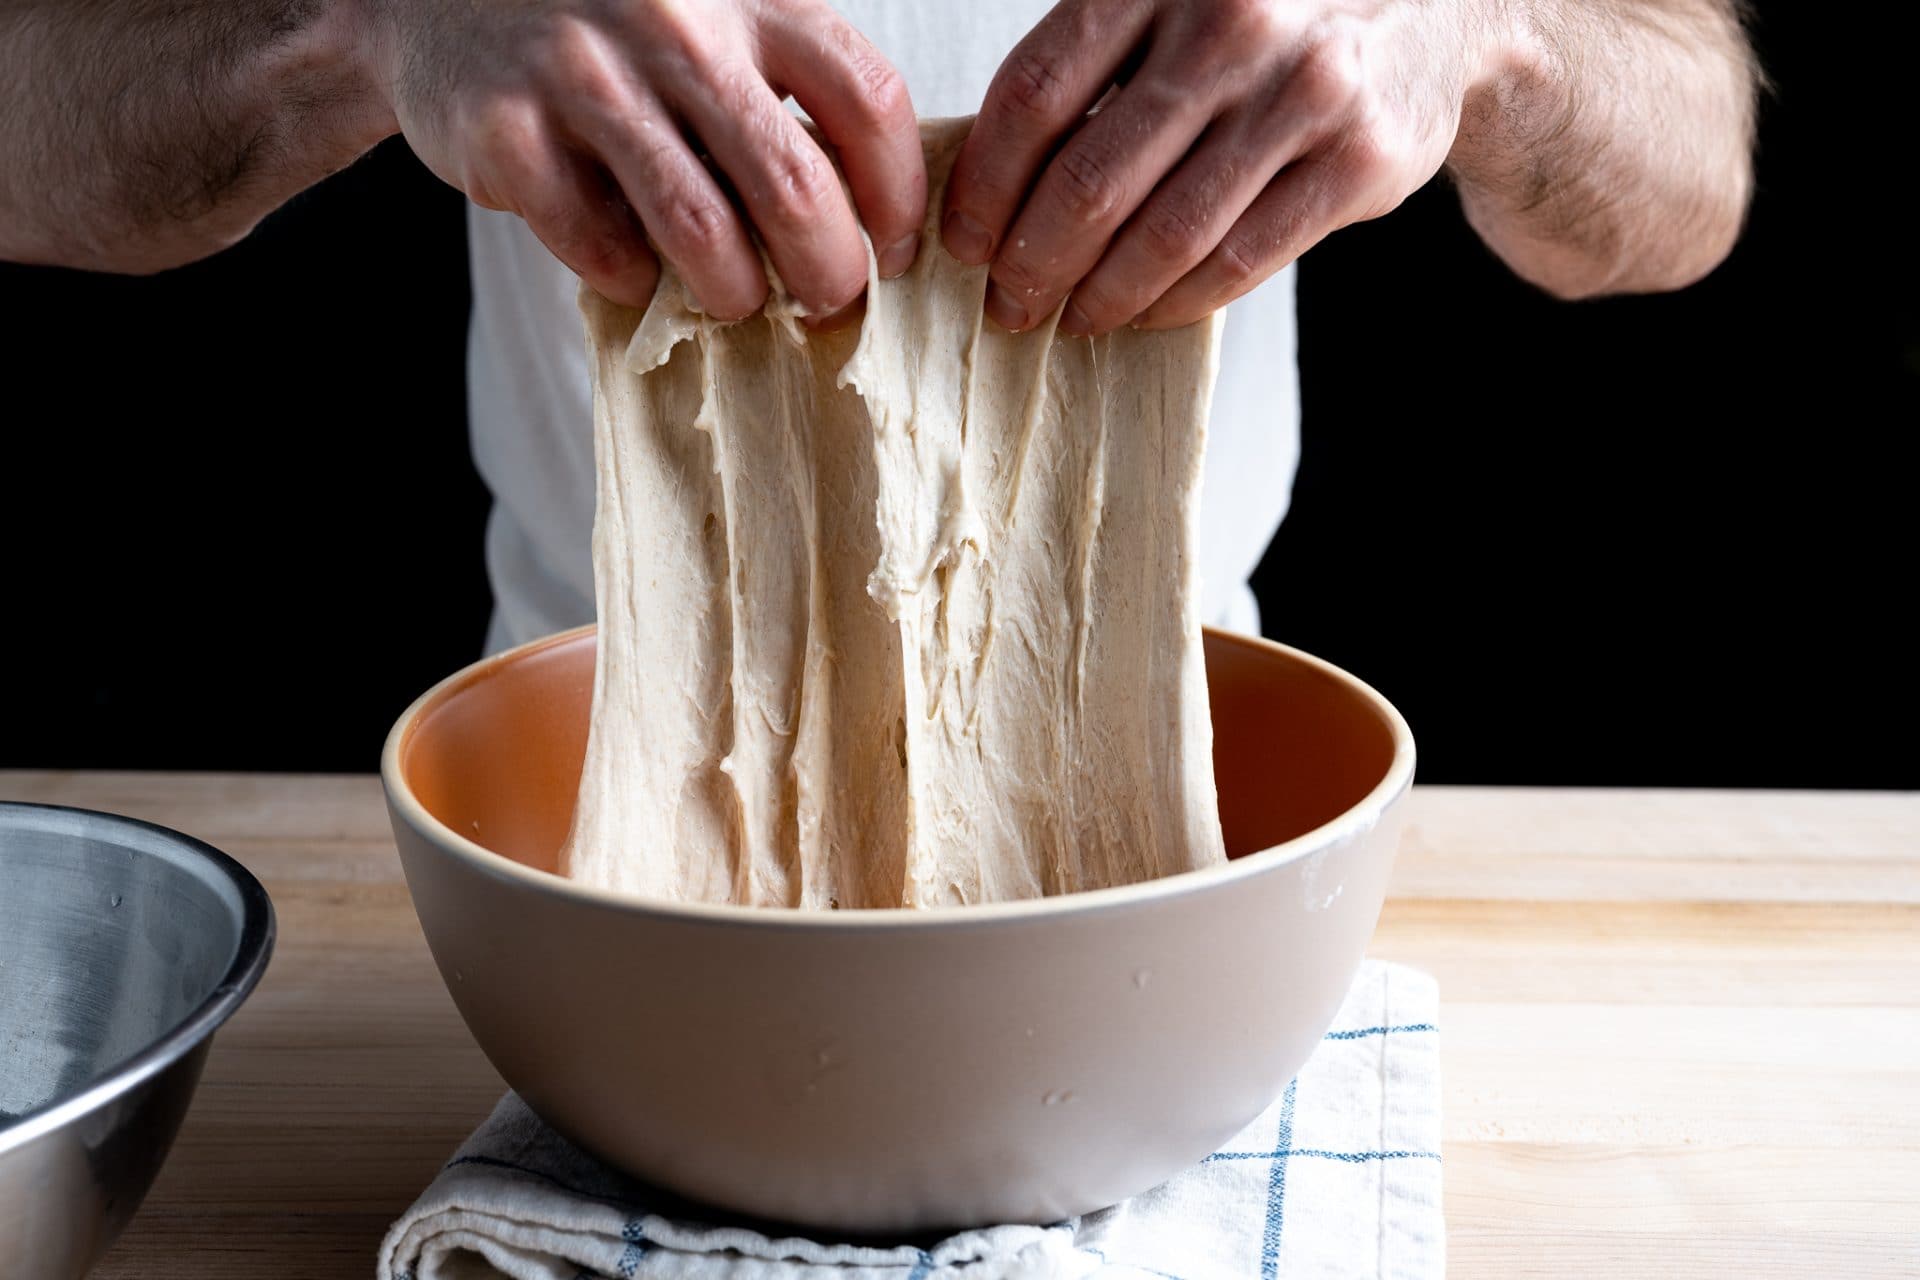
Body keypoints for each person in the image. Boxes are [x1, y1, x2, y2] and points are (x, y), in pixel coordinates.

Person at [1, 0, 1757, 650]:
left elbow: (1698, 165)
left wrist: (1479, 33)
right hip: (581, 790)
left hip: (1178, 790)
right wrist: (372, 23)